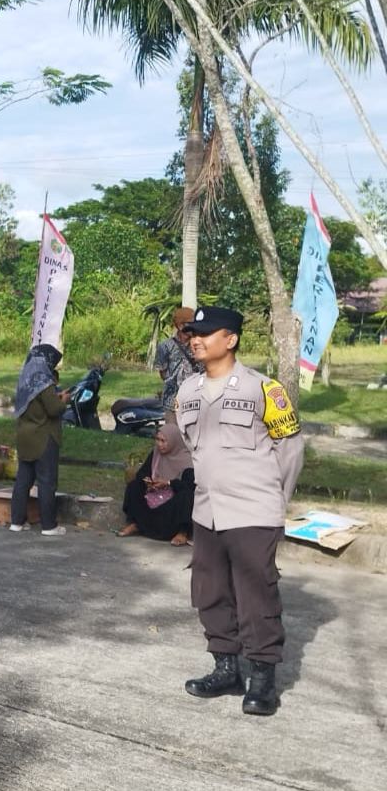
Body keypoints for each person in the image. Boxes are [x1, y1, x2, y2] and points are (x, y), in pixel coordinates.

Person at [176, 306, 303, 717]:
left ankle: (262, 678)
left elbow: (290, 450)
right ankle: (226, 669)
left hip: (253, 510)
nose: (196, 340)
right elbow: (193, 448)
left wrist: (275, 501)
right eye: (193, 334)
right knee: (210, 589)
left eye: (206, 333)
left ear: (230, 339)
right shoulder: (187, 392)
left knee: (255, 592)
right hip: (207, 510)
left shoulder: (264, 389)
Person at [9, 344, 70, 536]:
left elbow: (36, 404)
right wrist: (63, 401)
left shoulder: (24, 381)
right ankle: (49, 526)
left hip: (24, 437)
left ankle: (17, 521)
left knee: (23, 481)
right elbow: (53, 409)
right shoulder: (44, 382)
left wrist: (54, 397)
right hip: (44, 438)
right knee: (46, 482)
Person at [117, 422, 195, 545]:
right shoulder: (156, 454)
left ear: (174, 441)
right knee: (134, 486)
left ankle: (182, 532)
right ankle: (136, 524)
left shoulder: (187, 460)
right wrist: (148, 482)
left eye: (163, 441)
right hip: (154, 496)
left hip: (171, 505)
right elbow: (142, 473)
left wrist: (168, 483)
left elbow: (189, 486)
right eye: (157, 440)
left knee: (186, 495)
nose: (159, 444)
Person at [155, 306, 201, 424]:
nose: (195, 326)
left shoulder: (199, 345)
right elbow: (163, 373)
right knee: (173, 430)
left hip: (196, 398)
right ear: (180, 326)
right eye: (191, 323)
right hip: (172, 399)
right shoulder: (165, 346)